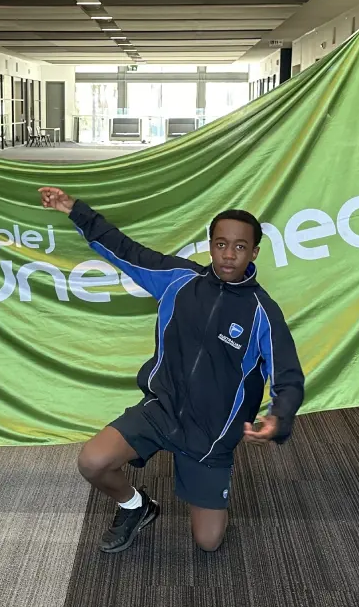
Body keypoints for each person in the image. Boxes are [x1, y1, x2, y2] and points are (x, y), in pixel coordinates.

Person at [38, 187, 305, 553]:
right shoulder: (178, 279)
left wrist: (279, 418)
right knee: (92, 461)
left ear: (254, 252)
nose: (229, 255)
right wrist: (74, 210)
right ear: (210, 246)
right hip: (160, 411)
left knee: (208, 542)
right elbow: (124, 249)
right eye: (221, 244)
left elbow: (288, 376)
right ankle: (136, 506)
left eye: (240, 247)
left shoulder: (262, 312)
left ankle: (208, 488)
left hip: (209, 438)